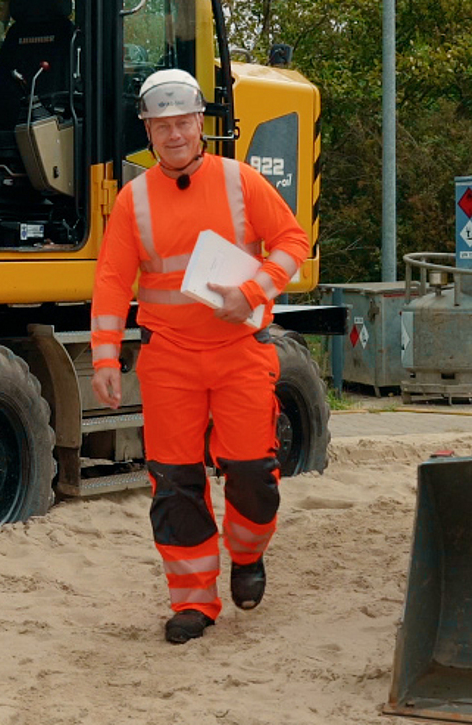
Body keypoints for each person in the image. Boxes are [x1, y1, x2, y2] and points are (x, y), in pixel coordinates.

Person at [89, 68, 312, 644]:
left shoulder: (240, 183)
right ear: (148, 129)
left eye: (183, 123)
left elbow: (293, 241)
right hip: (169, 359)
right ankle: (193, 602)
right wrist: (106, 358)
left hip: (240, 351)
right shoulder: (134, 199)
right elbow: (113, 280)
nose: (173, 135)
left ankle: (247, 554)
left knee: (252, 476)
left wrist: (253, 292)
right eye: (161, 126)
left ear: (200, 125)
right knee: (176, 484)